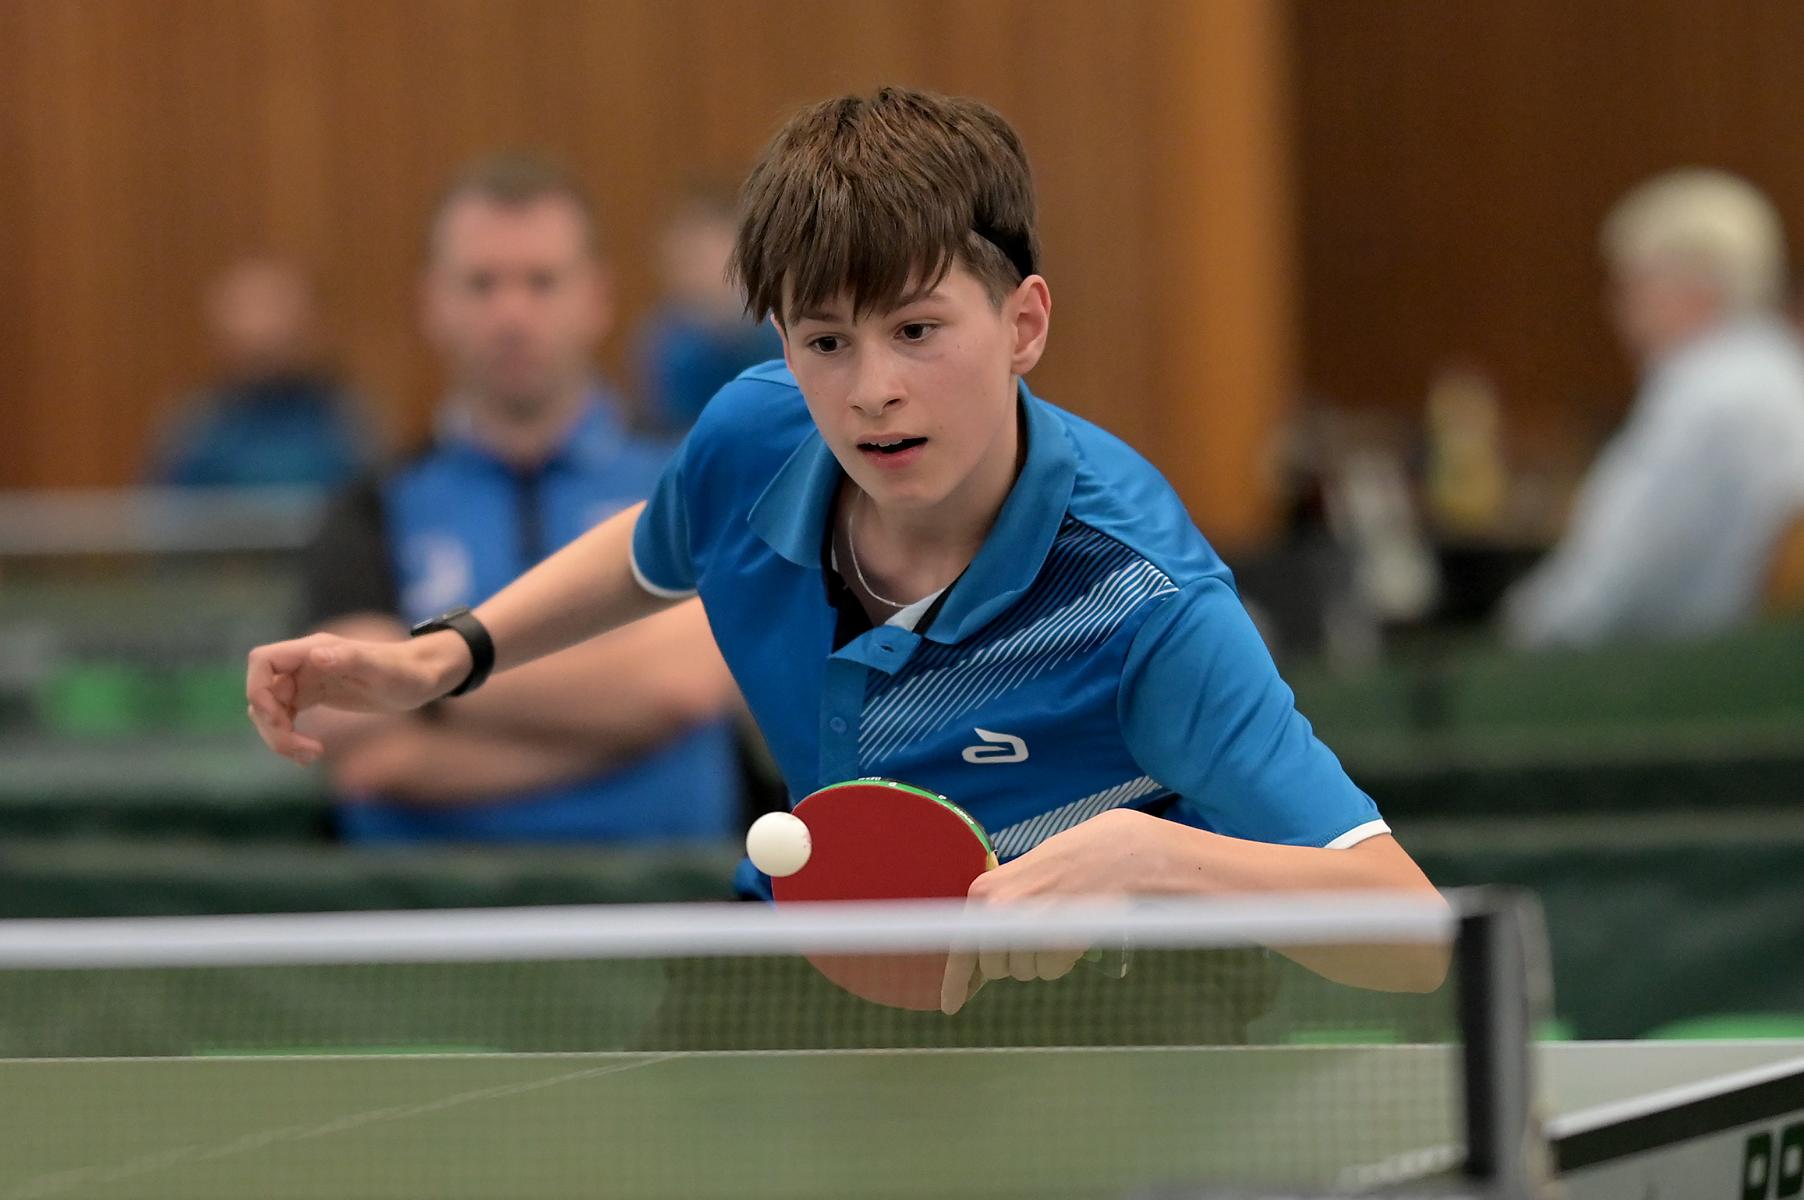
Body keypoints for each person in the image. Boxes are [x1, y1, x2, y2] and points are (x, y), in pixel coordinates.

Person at [248, 89, 1441, 1005]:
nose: (871, 390)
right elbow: (657, 549)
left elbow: (1414, 933)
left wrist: (1155, 861)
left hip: (1110, 1017)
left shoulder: (1141, 600)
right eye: (825, 341)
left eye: (918, 330)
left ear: (1023, 324)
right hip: (815, 949)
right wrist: (446, 654)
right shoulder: (756, 436)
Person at [294, 153, 742, 844]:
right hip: (424, 901)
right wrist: (627, 728)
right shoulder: (371, 505)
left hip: (668, 891)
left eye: (541, 282)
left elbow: (678, 684)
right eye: (481, 284)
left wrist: (417, 682)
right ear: (432, 303)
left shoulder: (691, 475)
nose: (511, 314)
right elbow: (353, 729)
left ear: (597, 298)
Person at [1502, 169, 1804, 648]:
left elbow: (1611, 581)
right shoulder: (1780, 367)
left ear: (1695, 286)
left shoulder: (1705, 392)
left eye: (1633, 285)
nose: (1617, 309)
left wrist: (1514, 636)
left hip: (1689, 666)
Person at [151, 257, 373, 488]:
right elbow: (162, 501)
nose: (261, 333)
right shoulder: (195, 425)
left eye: (274, 309)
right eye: (245, 311)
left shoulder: (347, 420)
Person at [634, 183, 784, 436]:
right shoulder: (667, 345)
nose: (690, 277)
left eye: (699, 257)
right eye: (680, 262)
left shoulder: (784, 332)